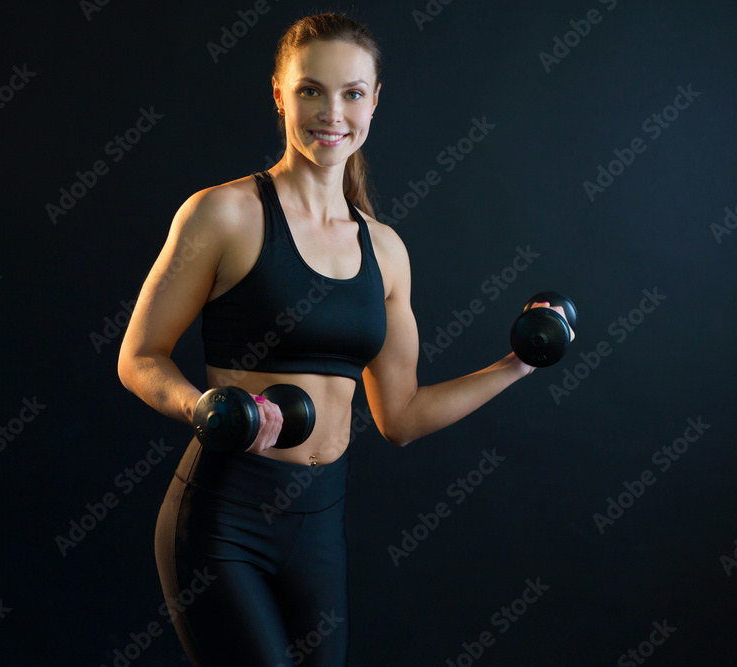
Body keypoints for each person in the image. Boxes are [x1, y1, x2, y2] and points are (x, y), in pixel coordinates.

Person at [117, 12, 573, 667]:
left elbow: (402, 417)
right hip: (224, 518)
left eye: (352, 93)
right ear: (279, 93)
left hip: (320, 527)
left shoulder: (385, 250)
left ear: (375, 100)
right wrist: (200, 409)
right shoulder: (224, 214)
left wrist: (518, 364)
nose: (332, 112)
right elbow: (139, 357)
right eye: (311, 90)